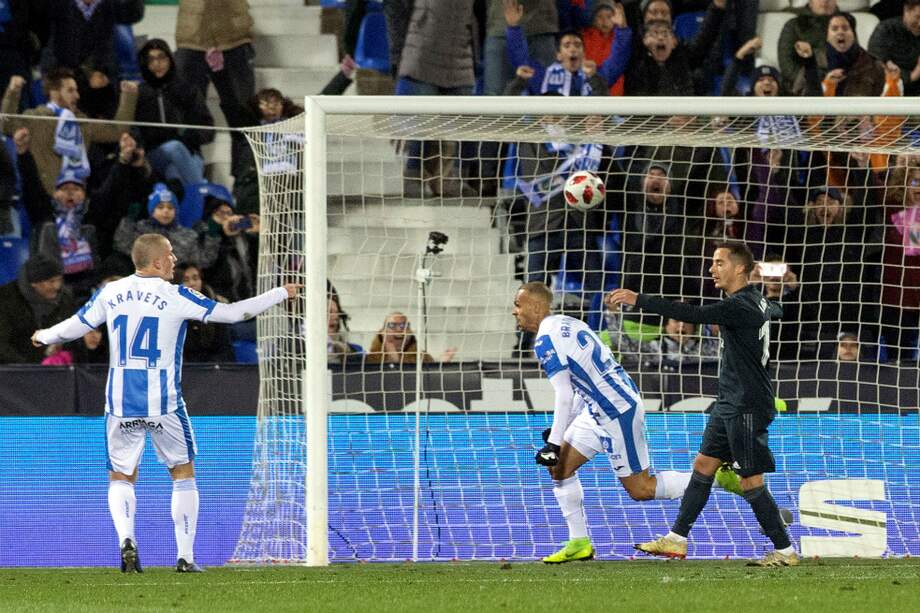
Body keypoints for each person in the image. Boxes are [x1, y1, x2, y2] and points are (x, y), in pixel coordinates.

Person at [31, 233, 300, 573]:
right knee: (182, 473)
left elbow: (75, 326)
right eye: (171, 255)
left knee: (121, 476)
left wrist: (44, 336)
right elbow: (233, 314)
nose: (175, 260)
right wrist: (279, 293)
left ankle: (126, 539)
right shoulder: (176, 295)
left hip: (120, 401)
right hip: (164, 403)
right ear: (156, 261)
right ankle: (185, 557)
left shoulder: (110, 292)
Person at [513, 281, 741, 563]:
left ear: (535, 306)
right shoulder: (569, 323)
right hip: (597, 407)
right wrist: (562, 433)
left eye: (518, 305)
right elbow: (582, 383)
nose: (515, 312)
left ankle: (716, 478)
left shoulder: (545, 341)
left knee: (641, 489)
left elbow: (563, 393)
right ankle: (579, 542)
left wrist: (553, 442)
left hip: (616, 409)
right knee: (559, 469)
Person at [607, 241, 798, 567]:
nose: (712, 269)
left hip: (747, 405)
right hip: (729, 402)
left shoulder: (740, 306)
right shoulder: (759, 301)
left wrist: (639, 300)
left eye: (719, 262)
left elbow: (692, 313)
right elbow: (776, 309)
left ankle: (785, 550)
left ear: (740, 269)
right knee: (703, 465)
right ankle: (677, 539)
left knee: (751, 481)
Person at [1, 69, 138, 196]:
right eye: (71, 91)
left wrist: (129, 96)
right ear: (54, 92)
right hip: (43, 200)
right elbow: (6, 126)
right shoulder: (35, 118)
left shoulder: (82, 123)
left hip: (76, 201)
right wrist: (13, 92)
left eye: (76, 90)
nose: (77, 96)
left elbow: (117, 131)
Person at [0, 254, 76, 364]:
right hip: (14, 369)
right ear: (34, 283)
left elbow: (72, 333)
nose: (57, 286)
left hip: (54, 369)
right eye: (51, 281)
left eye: (59, 280)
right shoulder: (5, 299)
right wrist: (29, 367)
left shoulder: (64, 299)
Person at [868, 0, 920, 97]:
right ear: (906, 11)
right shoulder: (885, 29)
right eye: (917, 17)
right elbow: (874, 62)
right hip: (888, 92)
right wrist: (912, 76)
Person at [364, 311, 455, 364]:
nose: (399, 329)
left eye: (404, 325)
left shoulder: (423, 358)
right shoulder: (369, 360)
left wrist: (440, 364)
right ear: (382, 333)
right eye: (392, 325)